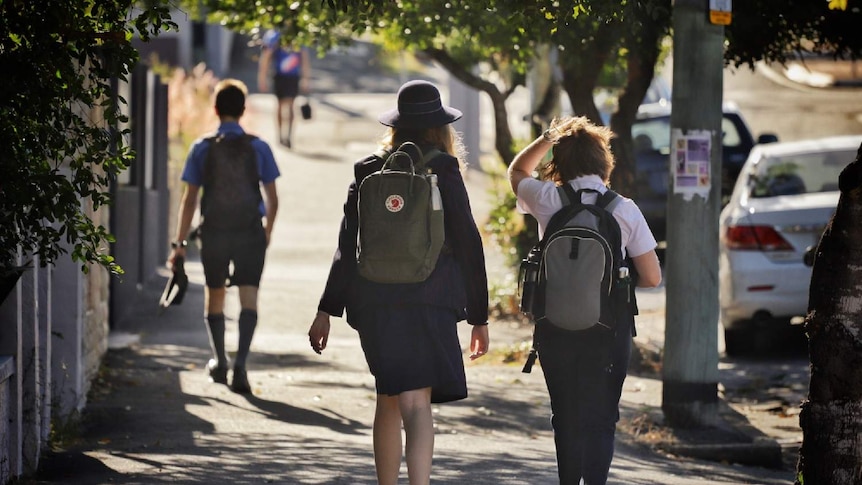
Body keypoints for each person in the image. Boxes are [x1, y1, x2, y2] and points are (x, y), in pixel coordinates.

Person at [308, 80, 490, 485]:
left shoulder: (368, 168)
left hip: (374, 301)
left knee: (388, 398)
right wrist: (480, 316)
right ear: (440, 128)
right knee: (417, 402)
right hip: (430, 297)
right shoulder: (443, 168)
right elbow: (466, 241)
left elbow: (346, 244)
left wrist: (326, 310)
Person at [507, 116, 662, 485]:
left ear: (559, 164)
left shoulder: (547, 198)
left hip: (554, 326)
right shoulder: (623, 209)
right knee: (601, 417)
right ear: (604, 161)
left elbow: (517, 171)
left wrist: (550, 136)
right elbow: (653, 277)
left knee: (565, 415)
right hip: (608, 330)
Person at [168, 79, 280, 394]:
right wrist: (266, 234)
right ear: (243, 110)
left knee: (215, 295)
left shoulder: (202, 147)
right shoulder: (258, 147)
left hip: (214, 232)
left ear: (216, 110)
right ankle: (241, 365)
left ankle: (220, 362)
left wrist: (179, 244)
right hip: (249, 233)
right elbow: (273, 198)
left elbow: (189, 199)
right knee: (248, 297)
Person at [257, 29, 311, 149]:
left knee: (291, 106)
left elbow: (304, 57)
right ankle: (281, 135)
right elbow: (266, 57)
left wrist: (306, 78)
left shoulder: (298, 35)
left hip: (293, 75)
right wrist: (262, 78)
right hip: (280, 75)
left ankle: (288, 135)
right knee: (281, 105)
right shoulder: (274, 35)